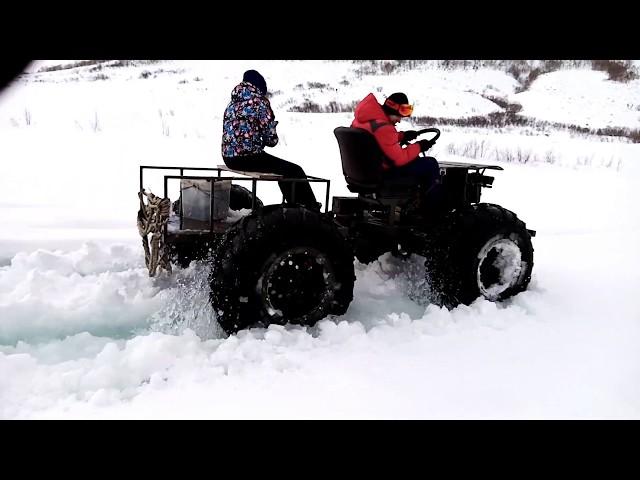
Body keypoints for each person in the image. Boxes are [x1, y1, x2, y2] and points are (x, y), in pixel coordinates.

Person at [221, 70, 319, 209]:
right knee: (294, 171)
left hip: (229, 158)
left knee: (284, 170)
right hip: (247, 158)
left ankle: (296, 208)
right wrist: (271, 127)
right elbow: (272, 141)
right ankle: (309, 210)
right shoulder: (259, 102)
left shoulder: (232, 104)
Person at [351, 92, 441, 198]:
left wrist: (402, 136)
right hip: (382, 173)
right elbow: (399, 159)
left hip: (365, 172)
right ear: (391, 111)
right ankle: (433, 208)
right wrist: (419, 146)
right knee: (430, 164)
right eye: (398, 116)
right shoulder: (384, 127)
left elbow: (378, 138)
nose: (399, 120)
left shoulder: (365, 121)